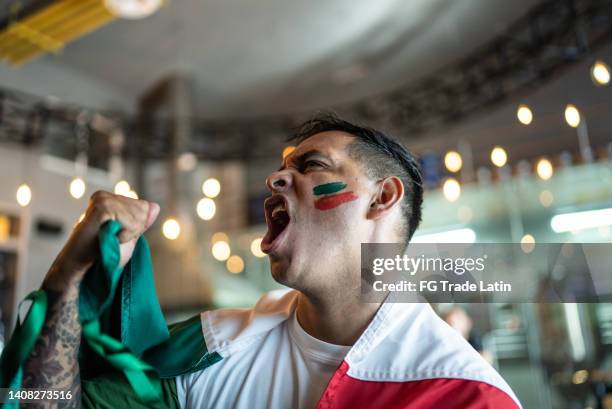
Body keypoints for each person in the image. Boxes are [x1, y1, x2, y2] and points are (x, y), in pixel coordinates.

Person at [22, 114, 521, 408]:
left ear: (382, 197)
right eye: (281, 170)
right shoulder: (210, 349)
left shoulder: (465, 395)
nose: (275, 181)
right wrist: (68, 279)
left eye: (310, 167)